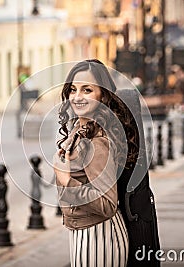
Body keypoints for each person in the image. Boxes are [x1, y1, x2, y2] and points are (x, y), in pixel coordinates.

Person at [54, 59, 132, 266]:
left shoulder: (97, 141)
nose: (77, 97)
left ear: (102, 95)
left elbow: (107, 204)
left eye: (87, 90)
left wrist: (66, 180)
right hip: (85, 234)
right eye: (73, 89)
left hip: (99, 237)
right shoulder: (80, 130)